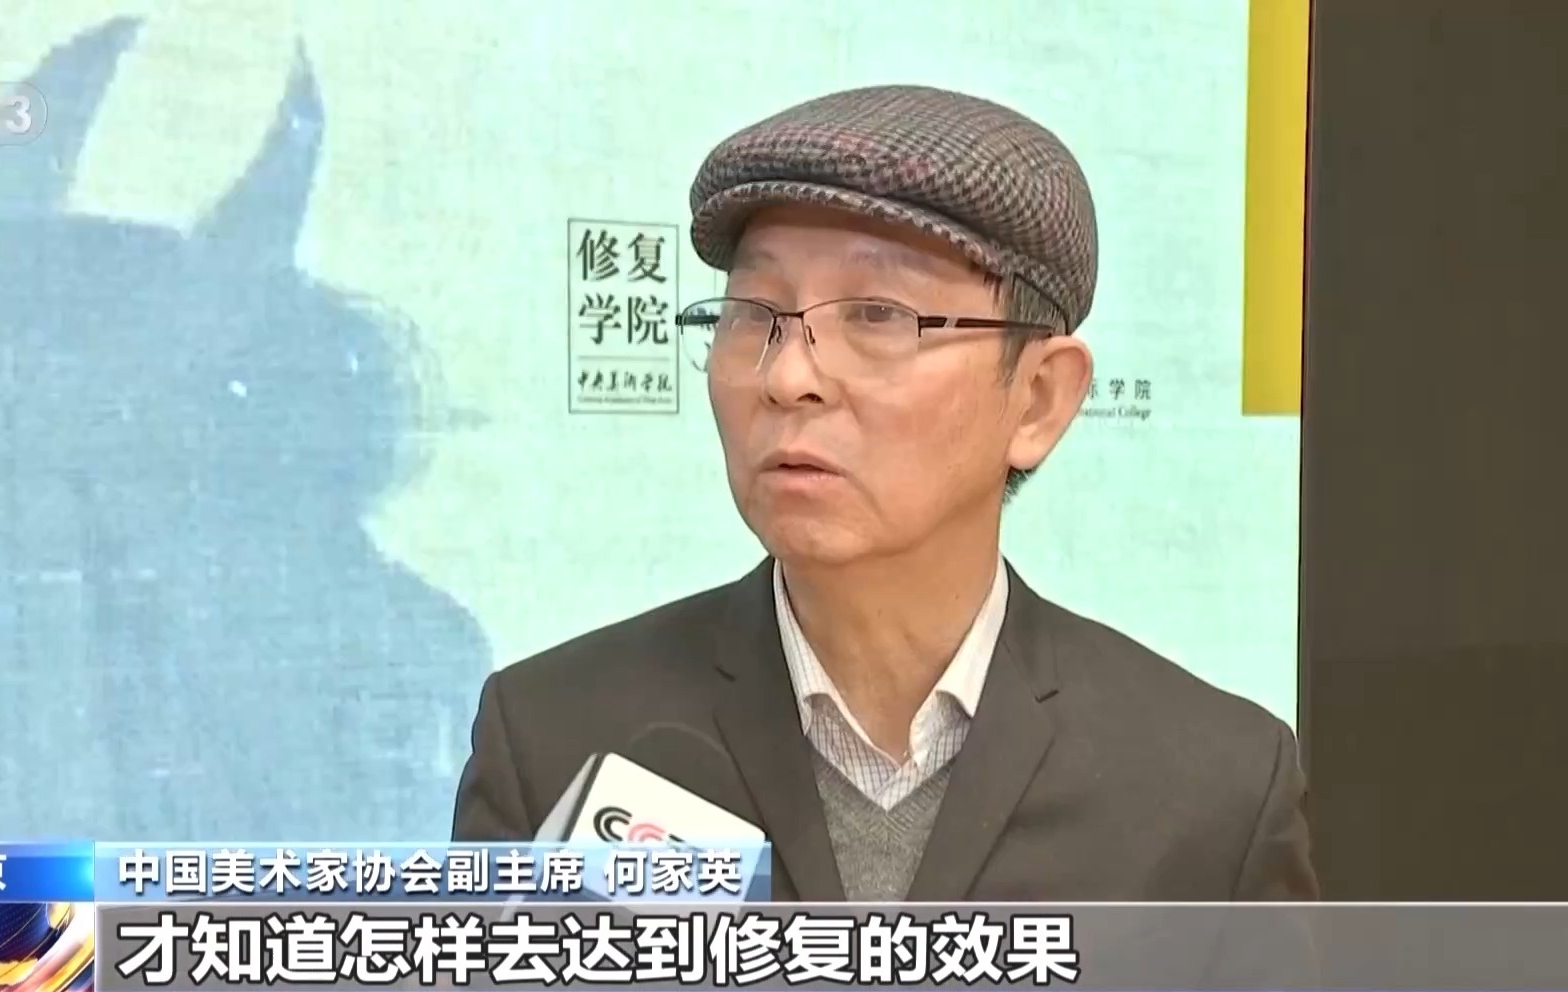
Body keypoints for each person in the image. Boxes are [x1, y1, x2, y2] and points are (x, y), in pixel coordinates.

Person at [452, 84, 1316, 902]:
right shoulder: (556, 743)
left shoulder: (1211, 794)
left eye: (877, 315)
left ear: (1038, 399)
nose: (788, 377)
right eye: (752, 313)